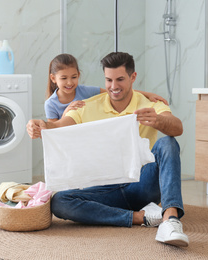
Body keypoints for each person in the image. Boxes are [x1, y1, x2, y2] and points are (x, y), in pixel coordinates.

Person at [27, 52, 189, 247]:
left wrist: (158, 120)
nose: (113, 87)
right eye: (109, 80)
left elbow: (177, 127)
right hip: (105, 189)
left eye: (120, 79)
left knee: (168, 143)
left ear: (133, 77)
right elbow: (61, 126)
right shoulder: (87, 105)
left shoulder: (151, 105)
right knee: (59, 202)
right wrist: (41, 125)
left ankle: (170, 220)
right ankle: (140, 217)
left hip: (141, 184)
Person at [45, 53, 168, 122]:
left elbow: (114, 91)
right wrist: (67, 113)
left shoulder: (86, 91)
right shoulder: (51, 104)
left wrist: (147, 94)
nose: (69, 82)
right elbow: (54, 131)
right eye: (64, 78)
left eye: (74, 77)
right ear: (53, 78)